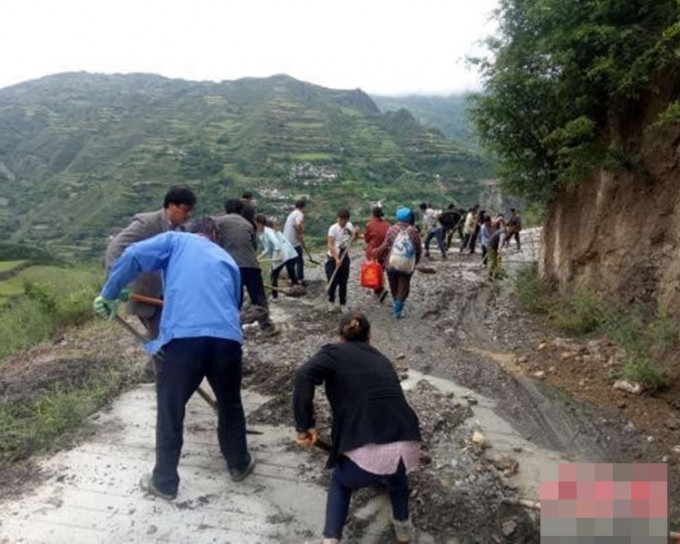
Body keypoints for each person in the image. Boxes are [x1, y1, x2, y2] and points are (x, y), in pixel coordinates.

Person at [93, 218, 254, 500]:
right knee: (230, 403)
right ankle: (238, 464)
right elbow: (235, 304)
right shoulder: (226, 258)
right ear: (214, 235)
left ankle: (165, 482)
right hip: (227, 340)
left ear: (189, 232)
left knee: (171, 409)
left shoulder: (175, 240)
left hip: (184, 341)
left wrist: (109, 293)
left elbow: (132, 254)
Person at [293, 312, 421, 544]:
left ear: (340, 336)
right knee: (396, 475)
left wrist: (304, 426)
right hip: (409, 444)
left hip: (370, 450)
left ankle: (330, 539)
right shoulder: (381, 358)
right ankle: (403, 526)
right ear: (370, 336)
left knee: (341, 482)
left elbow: (303, 374)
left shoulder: (333, 352)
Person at [104, 186, 196, 377]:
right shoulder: (147, 223)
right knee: (163, 341)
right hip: (148, 294)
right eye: (185, 210)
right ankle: (164, 384)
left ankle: (154, 371)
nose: (189, 215)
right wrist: (114, 285)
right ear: (172, 206)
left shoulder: (180, 229)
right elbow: (116, 247)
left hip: (169, 294)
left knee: (168, 336)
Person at [214, 199, 276, 335]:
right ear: (241, 210)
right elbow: (254, 246)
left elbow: (216, 243)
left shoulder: (219, 222)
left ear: (226, 209)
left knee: (235, 299)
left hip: (232, 267)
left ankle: (235, 328)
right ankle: (266, 326)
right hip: (251, 265)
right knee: (258, 297)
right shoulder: (248, 224)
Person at [373, 207, 422, 319]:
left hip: (391, 263)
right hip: (406, 264)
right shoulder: (413, 231)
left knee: (393, 285)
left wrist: (377, 251)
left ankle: (396, 303)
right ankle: (398, 309)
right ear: (410, 217)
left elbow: (385, 244)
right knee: (403, 286)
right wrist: (416, 261)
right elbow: (418, 248)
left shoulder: (392, 229)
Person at [254, 214, 299, 301]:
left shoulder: (268, 232)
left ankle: (276, 297)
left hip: (283, 253)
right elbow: (267, 249)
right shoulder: (265, 233)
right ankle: (296, 288)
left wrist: (278, 253)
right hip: (285, 252)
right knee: (290, 271)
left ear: (259, 223)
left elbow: (276, 243)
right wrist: (258, 258)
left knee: (274, 274)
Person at [326, 209, 358, 313]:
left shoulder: (349, 226)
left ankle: (343, 303)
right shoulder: (333, 229)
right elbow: (330, 244)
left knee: (343, 281)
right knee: (333, 281)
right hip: (332, 256)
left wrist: (356, 233)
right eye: (340, 220)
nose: (342, 222)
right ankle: (331, 301)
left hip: (345, 256)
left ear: (347, 219)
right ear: (338, 218)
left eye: (344, 220)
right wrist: (336, 258)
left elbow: (353, 239)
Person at [363, 205, 390, 303]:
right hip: (385, 252)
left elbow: (366, 239)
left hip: (373, 252)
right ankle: (379, 289)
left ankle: (379, 290)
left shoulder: (369, 225)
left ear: (373, 214)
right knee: (380, 270)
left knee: (374, 270)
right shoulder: (387, 225)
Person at [283, 199, 307, 284]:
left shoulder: (291, 214)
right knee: (299, 260)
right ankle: (300, 278)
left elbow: (294, 225)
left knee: (290, 260)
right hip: (293, 241)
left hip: (286, 240)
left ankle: (290, 279)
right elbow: (298, 224)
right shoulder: (299, 213)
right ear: (302, 207)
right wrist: (300, 233)